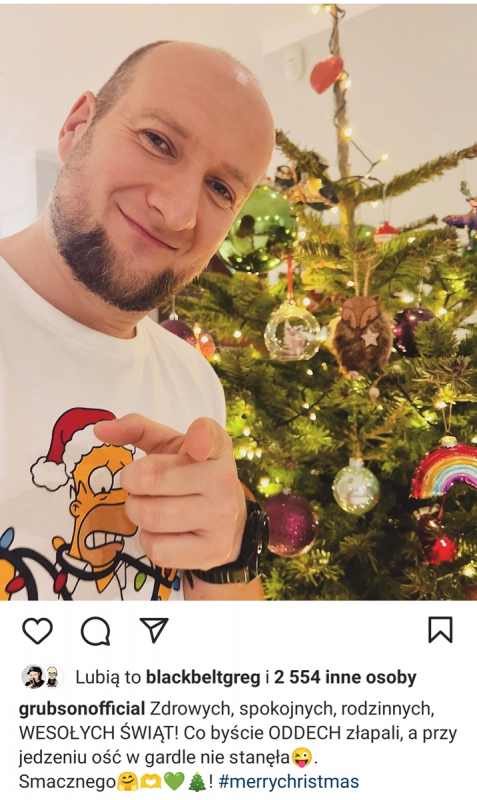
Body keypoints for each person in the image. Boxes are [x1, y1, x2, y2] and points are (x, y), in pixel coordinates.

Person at [0, 40, 275, 602]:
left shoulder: (195, 381)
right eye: (158, 141)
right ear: (78, 127)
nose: (178, 212)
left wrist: (229, 553)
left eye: (221, 188)